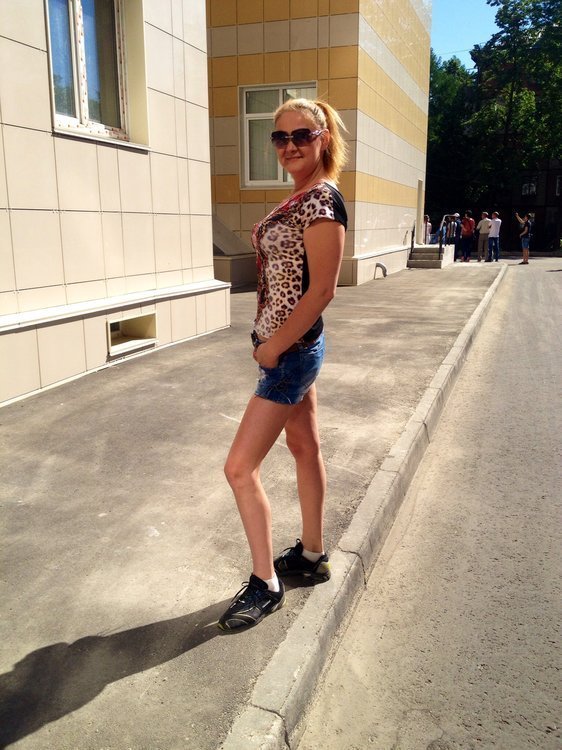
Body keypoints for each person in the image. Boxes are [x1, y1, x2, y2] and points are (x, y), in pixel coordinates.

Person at [218, 99, 348, 632]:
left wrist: (272, 349)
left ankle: (265, 584)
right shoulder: (302, 195)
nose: (289, 145)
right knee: (305, 448)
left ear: (323, 138)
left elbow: (322, 290)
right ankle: (312, 556)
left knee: (238, 469)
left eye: (301, 135)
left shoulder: (321, 201)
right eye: (279, 137)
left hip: (289, 355)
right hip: (292, 348)